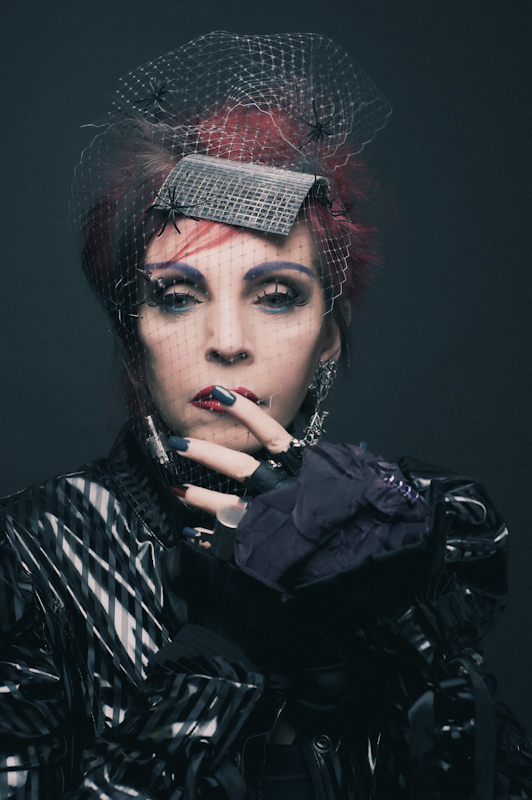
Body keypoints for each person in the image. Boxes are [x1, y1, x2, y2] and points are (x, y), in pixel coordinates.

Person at [1, 31, 531, 800]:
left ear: (329, 337)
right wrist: (225, 658)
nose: (226, 342)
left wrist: (376, 638)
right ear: (132, 331)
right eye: (178, 296)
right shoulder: (30, 554)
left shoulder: (407, 534)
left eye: (276, 295)